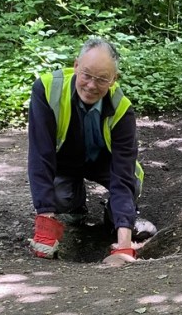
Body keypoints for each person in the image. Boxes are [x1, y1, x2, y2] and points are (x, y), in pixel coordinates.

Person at [26, 37, 155, 262]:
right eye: (86, 75)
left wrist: (124, 246)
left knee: (132, 184)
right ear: (76, 66)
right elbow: (40, 155)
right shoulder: (47, 90)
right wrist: (45, 223)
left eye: (102, 79)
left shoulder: (122, 108)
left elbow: (123, 174)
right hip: (65, 161)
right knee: (59, 197)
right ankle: (74, 210)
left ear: (114, 79)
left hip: (103, 162)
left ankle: (119, 218)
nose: (92, 85)